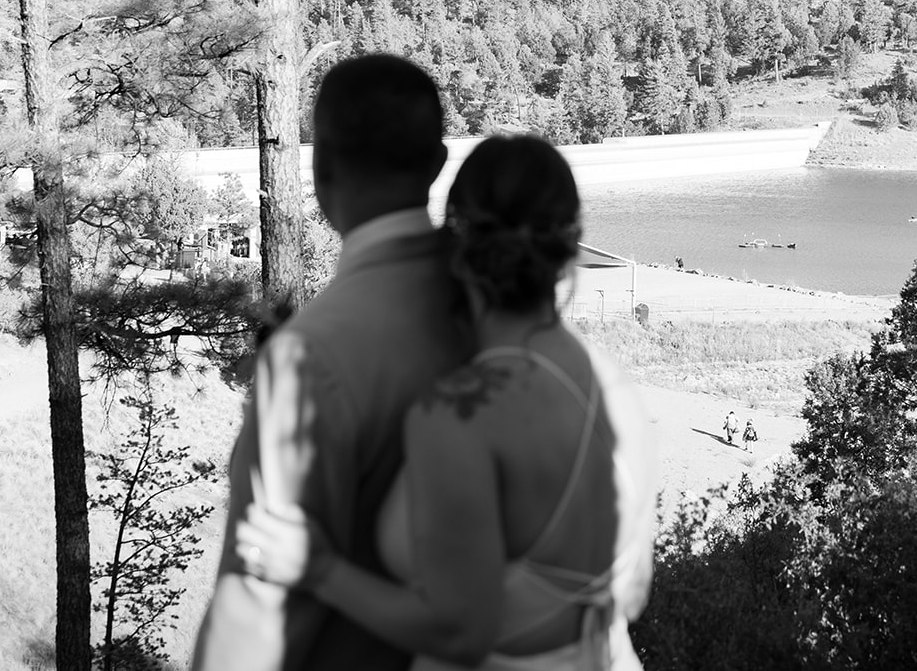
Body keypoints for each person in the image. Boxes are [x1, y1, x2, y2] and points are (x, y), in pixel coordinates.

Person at [234, 134, 657, 670]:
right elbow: (633, 592)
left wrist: (318, 569)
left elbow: (459, 634)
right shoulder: (618, 390)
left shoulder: (462, 413)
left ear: (453, 245)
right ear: (568, 249)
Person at [193, 55, 468, 671]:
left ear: (319, 172)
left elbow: (257, 594)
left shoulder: (309, 354)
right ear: (436, 164)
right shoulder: (494, 312)